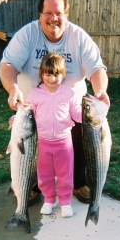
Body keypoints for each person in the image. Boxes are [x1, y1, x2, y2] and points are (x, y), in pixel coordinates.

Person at [0, 0, 110, 204]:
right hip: (35, 106)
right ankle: (29, 185)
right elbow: (8, 66)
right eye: (48, 13)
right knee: (30, 147)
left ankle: (78, 182)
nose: (54, 18)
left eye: (58, 13)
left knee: (76, 142)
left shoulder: (78, 37)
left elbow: (97, 68)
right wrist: (13, 89)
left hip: (71, 106)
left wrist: (100, 91)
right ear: (40, 15)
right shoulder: (27, 35)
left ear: (66, 15)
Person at [27, 52, 82, 217]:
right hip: (42, 142)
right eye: (48, 74)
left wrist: (93, 113)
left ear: (63, 74)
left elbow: (77, 115)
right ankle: (49, 199)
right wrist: (16, 119)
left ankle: (65, 201)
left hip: (64, 141)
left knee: (65, 173)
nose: (52, 79)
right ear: (42, 74)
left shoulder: (69, 93)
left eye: (56, 74)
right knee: (44, 174)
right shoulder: (35, 94)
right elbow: (28, 113)